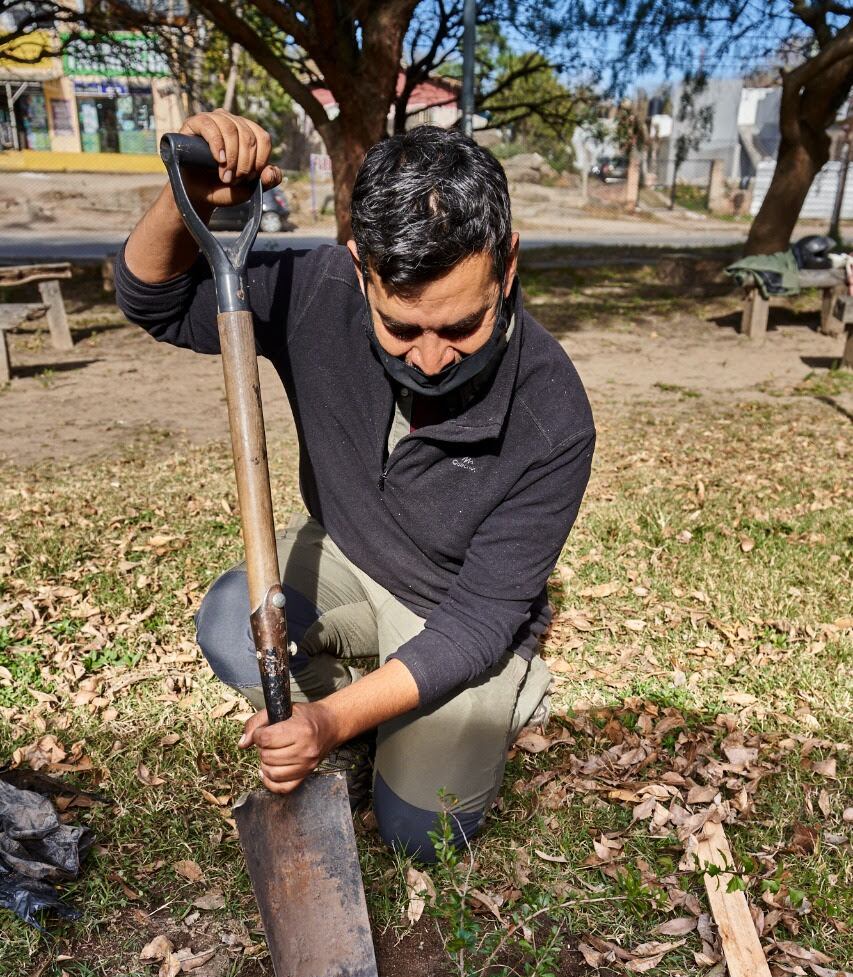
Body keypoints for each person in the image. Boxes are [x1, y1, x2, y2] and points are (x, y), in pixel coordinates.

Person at [116, 109, 595, 861]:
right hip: (347, 553)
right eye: (400, 328)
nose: (430, 359)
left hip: (450, 617)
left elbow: (473, 623)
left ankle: (496, 688)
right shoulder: (318, 291)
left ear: (507, 264)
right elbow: (154, 301)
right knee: (228, 627)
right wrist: (190, 202)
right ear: (359, 267)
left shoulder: (552, 414)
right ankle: (374, 701)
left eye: (461, 326)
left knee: (421, 833)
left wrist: (329, 723)